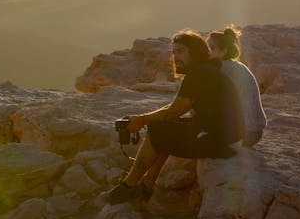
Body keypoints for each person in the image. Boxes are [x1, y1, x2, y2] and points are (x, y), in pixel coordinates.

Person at [101, 29, 244, 205]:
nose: (175, 57)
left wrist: (141, 120)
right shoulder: (206, 70)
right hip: (224, 134)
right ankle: (146, 185)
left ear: (196, 52)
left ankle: (128, 188)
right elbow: (174, 112)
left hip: (219, 140)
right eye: (174, 52)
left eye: (181, 51)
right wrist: (145, 119)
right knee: (163, 128)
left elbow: (175, 110)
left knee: (157, 132)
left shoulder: (199, 74)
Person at [207, 25, 267, 147]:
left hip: (243, 134)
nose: (207, 52)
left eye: (211, 48)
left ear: (223, 51)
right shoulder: (237, 66)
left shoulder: (223, 68)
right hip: (254, 133)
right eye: (206, 48)